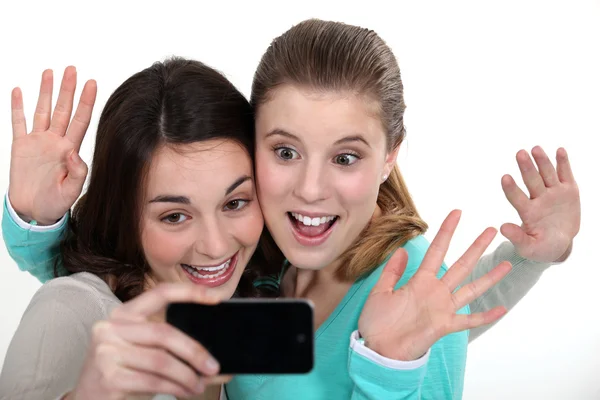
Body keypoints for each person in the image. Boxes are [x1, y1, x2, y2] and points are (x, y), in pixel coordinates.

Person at [2, 19, 580, 399]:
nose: (308, 189)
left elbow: (442, 318)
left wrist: (388, 368)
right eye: (284, 151)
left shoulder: (409, 288)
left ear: (389, 158)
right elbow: (119, 294)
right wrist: (35, 223)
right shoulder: (263, 269)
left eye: (346, 157)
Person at [0, 58, 276, 400]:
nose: (216, 246)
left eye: (235, 203)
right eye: (175, 216)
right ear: (125, 216)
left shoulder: (250, 313)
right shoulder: (69, 310)